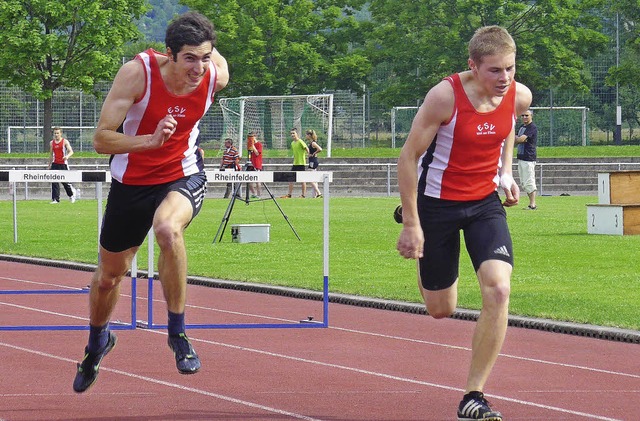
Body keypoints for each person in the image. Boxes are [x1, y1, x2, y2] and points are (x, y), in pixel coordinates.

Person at [72, 11, 229, 393]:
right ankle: (97, 343)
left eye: (205, 57)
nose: (198, 68)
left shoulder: (215, 74)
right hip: (132, 182)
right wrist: (149, 141)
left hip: (182, 174)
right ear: (169, 54)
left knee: (167, 228)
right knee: (109, 277)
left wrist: (207, 50)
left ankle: (177, 333)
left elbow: (212, 62)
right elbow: (101, 140)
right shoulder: (137, 73)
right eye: (190, 58)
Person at [396, 26, 531, 420]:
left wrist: (505, 174)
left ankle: (474, 395)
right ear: (473, 67)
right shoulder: (444, 97)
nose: (504, 78)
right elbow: (408, 158)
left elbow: (506, 129)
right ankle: (426, 261)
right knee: (442, 309)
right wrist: (411, 223)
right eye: (494, 71)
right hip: (436, 205)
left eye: (510, 68)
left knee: (499, 289)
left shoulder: (517, 96)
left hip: (483, 204)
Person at [515, 109, 538, 210]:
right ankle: (531, 203)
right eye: (523, 115)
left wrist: (514, 138)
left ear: (531, 116)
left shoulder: (532, 127)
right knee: (524, 182)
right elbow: (516, 140)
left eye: (527, 115)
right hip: (521, 157)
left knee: (529, 181)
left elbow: (520, 139)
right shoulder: (521, 127)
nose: (524, 117)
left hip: (528, 158)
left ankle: (532, 204)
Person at [49, 127, 77, 204]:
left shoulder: (65, 142)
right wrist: (49, 164)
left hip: (63, 164)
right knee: (54, 181)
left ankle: (71, 195)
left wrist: (67, 156)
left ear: (61, 133)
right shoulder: (52, 143)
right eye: (55, 133)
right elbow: (51, 154)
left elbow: (71, 151)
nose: (56, 135)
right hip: (55, 163)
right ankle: (55, 199)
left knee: (65, 182)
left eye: (58, 133)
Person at [281, 128, 308, 198]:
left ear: (297, 134)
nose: (292, 135)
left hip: (301, 163)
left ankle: (303, 195)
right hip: (295, 163)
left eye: (294, 133)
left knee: (302, 180)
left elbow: (306, 148)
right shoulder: (292, 143)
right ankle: (289, 194)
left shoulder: (300, 141)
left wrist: (309, 155)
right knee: (291, 178)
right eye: (291, 133)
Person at [305, 129, 322, 198]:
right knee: (314, 179)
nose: (306, 136)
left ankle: (319, 193)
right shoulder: (311, 143)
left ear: (309, 135)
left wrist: (314, 153)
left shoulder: (313, 143)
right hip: (313, 160)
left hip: (313, 161)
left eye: (306, 135)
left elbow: (320, 149)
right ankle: (314, 195)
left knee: (310, 178)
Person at [246, 132, 263, 198]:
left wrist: (252, 145)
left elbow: (257, 153)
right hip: (251, 164)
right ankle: (254, 193)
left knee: (257, 181)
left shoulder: (258, 144)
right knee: (249, 181)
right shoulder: (249, 144)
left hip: (257, 164)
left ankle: (259, 194)